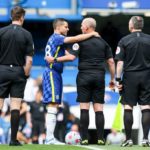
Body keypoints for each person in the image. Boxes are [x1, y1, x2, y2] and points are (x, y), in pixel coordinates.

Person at [46, 17, 115, 145]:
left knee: (84, 108)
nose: (81, 27)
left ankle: (84, 138)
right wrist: (112, 79)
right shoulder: (104, 43)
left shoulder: (80, 42)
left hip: (84, 76)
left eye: (82, 25)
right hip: (99, 76)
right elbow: (111, 61)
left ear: (87, 27)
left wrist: (54, 60)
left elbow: (71, 57)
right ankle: (101, 138)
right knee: (99, 108)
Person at [0, 6, 34, 146]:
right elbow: (30, 60)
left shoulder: (1, 32)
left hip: (2, 70)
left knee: (0, 103)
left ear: (11, 17)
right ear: (22, 18)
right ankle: (13, 140)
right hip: (18, 71)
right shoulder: (27, 34)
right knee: (15, 106)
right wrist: (25, 74)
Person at [115, 16, 150, 147]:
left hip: (130, 77)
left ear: (131, 26)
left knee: (128, 107)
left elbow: (120, 63)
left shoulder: (124, 40)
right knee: (146, 107)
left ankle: (128, 139)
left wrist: (118, 80)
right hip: (147, 76)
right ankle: (145, 139)